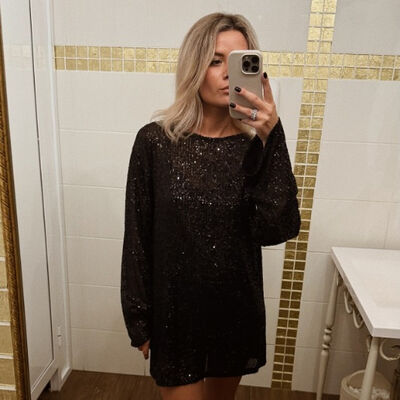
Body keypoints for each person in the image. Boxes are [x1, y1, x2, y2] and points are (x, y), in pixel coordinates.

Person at [120, 12, 301, 400]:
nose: (225, 74)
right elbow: (137, 234)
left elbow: (277, 227)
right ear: (194, 66)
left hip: (234, 311)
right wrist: (139, 318)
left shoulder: (254, 148)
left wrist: (273, 137)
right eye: (215, 60)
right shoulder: (155, 143)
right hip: (175, 315)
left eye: (236, 63)